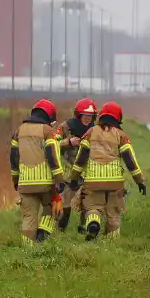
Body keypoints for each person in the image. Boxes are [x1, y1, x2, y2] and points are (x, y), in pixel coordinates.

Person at [66, 101, 147, 240]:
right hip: (115, 184)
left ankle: (93, 223)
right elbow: (130, 162)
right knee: (113, 214)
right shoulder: (121, 135)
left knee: (93, 208)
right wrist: (140, 181)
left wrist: (74, 178)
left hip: (92, 182)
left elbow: (80, 160)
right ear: (118, 118)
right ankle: (112, 242)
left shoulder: (90, 133)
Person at [11, 99, 65, 244]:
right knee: (51, 208)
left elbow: (13, 159)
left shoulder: (19, 131)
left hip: (25, 183)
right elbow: (53, 156)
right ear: (49, 116)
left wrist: (16, 181)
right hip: (45, 183)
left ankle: (27, 252)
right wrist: (59, 180)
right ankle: (43, 235)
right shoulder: (47, 131)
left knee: (29, 217)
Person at [53, 97, 97, 233]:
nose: (87, 119)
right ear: (78, 115)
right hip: (68, 174)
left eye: (90, 116)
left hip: (87, 174)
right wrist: (68, 142)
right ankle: (60, 231)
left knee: (88, 204)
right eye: (85, 116)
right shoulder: (65, 127)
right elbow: (51, 145)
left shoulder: (96, 130)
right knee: (65, 207)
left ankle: (83, 230)